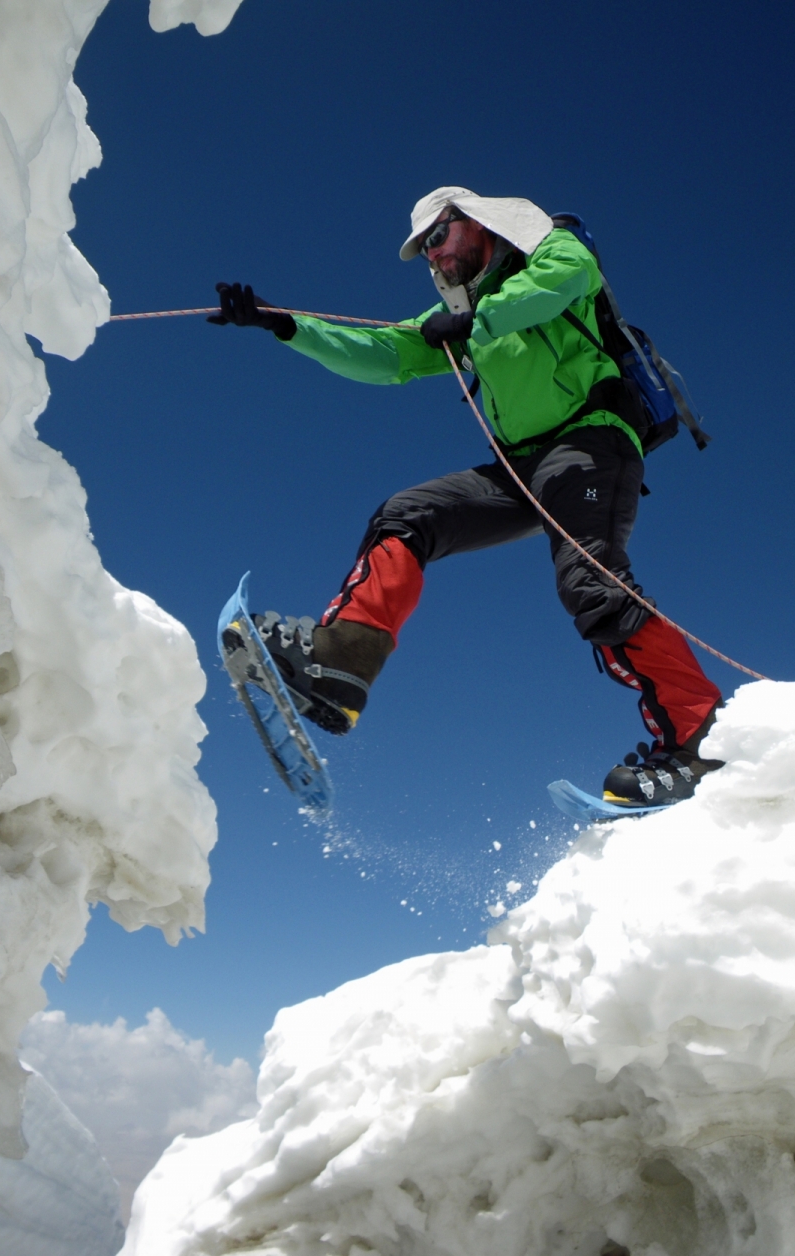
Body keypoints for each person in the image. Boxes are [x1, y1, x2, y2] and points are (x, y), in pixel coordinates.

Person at [210, 186, 723, 808]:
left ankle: (699, 744)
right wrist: (285, 325)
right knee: (408, 515)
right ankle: (342, 661)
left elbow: (565, 279)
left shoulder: (550, 252)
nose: (432, 258)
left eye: (436, 238)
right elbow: (389, 353)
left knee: (591, 579)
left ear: (475, 223)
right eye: (422, 250)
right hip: (522, 467)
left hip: (591, 441)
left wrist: (475, 321)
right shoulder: (467, 316)